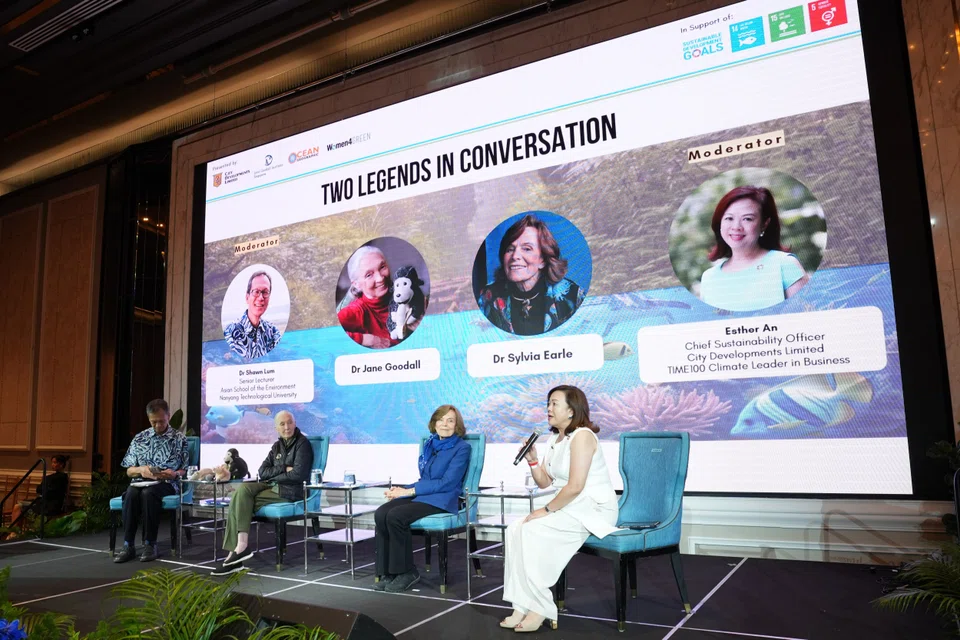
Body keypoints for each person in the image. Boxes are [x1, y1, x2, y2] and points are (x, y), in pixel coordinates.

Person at [501, 385, 619, 632]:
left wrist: (545, 511)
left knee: (533, 530)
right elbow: (545, 481)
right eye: (548, 403)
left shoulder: (583, 436)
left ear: (571, 410)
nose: (548, 408)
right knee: (514, 529)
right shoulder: (555, 439)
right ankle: (521, 604)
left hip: (592, 508)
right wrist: (532, 460)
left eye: (554, 403)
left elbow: (576, 486)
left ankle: (540, 607)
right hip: (567, 504)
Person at [372, 405, 470, 593]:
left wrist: (409, 492)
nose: (445, 424)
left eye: (450, 420)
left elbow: (447, 483)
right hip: (426, 495)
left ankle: (407, 572)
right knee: (382, 512)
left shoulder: (461, 448)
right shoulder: (430, 445)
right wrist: (402, 489)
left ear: (457, 425)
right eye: (441, 419)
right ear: (434, 423)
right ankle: (388, 573)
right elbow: (425, 480)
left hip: (443, 499)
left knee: (396, 516)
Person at [211, 411, 313, 575]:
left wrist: (277, 473)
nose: (286, 427)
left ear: (295, 423)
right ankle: (240, 548)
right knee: (242, 490)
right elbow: (262, 471)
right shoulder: (277, 446)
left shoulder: (303, 444)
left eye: (289, 423)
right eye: (282, 424)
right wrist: (283, 468)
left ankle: (236, 552)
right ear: (276, 428)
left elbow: (298, 475)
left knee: (239, 501)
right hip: (270, 485)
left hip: (289, 490)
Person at [699, 186, 810, 312]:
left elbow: (807, 321)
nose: (736, 227)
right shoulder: (709, 278)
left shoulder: (784, 264)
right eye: (729, 218)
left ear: (764, 224)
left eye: (747, 219)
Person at [477, 214, 584, 336]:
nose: (515, 256)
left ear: (543, 260)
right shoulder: (488, 296)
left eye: (527, 249)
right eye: (510, 249)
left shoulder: (572, 295)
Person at [114, 399, 189, 563]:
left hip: (167, 483)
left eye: (161, 421)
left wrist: (174, 473)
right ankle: (128, 545)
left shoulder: (179, 439)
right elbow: (129, 470)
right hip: (141, 481)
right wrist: (141, 470)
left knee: (149, 494)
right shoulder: (140, 438)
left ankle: (150, 544)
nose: (157, 425)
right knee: (131, 493)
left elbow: (185, 469)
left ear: (168, 416)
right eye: (153, 422)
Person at [337, 246, 400, 349]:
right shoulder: (355, 312)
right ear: (356, 284)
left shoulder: (403, 294)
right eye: (369, 275)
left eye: (382, 267)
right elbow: (327, 335)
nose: (380, 278)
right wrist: (365, 339)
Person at [224, 270, 282, 359]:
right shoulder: (230, 332)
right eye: (256, 291)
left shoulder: (273, 332)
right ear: (247, 297)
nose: (261, 297)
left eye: (265, 292)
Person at [7, 455, 70, 532]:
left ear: (61, 464)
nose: (52, 464)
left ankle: (14, 532)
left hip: (48, 506)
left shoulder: (60, 477)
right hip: (44, 503)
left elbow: (46, 491)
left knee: (18, 507)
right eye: (52, 462)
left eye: (55, 462)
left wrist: (44, 487)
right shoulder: (53, 477)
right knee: (19, 506)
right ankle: (16, 532)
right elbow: (39, 489)